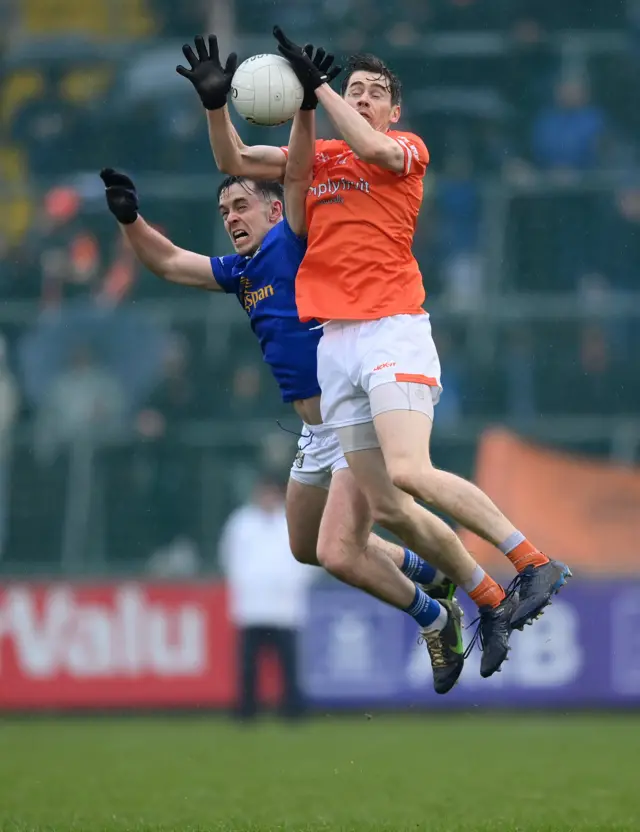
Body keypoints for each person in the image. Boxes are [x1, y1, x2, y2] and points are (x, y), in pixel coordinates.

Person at [179, 30, 571, 641]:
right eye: (354, 88)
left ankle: (533, 562)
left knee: (412, 472)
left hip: (392, 329)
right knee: (386, 507)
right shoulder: (318, 163)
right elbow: (234, 162)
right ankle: (489, 604)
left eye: (373, 93)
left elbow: (368, 144)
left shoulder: (405, 149)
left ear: (394, 112)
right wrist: (213, 104)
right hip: (337, 346)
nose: (360, 99)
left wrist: (321, 91)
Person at [101, 150, 501, 694]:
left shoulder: (294, 238)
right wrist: (130, 220)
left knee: (342, 549)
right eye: (224, 214)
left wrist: (301, 104)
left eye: (241, 206)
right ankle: (423, 570)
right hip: (314, 431)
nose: (232, 219)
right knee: (306, 545)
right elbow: (169, 262)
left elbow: (294, 174)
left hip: (352, 412)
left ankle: (436, 614)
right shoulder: (241, 271)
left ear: (272, 210)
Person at [219, 473, 314, 721]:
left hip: (285, 606)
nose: (267, 498)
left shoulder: (293, 520)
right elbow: (229, 557)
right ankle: (246, 710)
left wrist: (292, 584)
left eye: (272, 493)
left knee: (288, 664)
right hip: (252, 606)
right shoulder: (241, 523)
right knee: (248, 665)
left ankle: (292, 710)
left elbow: (308, 560)